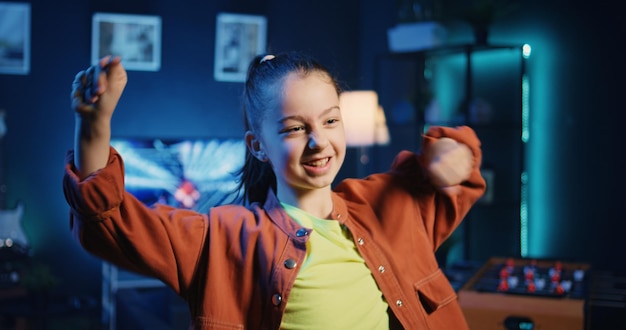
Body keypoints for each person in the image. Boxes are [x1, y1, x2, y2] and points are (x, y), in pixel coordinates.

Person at [63, 51, 486, 329]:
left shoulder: (387, 205)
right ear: (258, 146)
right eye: (296, 128)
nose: (319, 141)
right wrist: (94, 128)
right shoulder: (221, 238)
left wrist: (448, 153)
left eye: (330, 121)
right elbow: (110, 223)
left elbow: (457, 176)